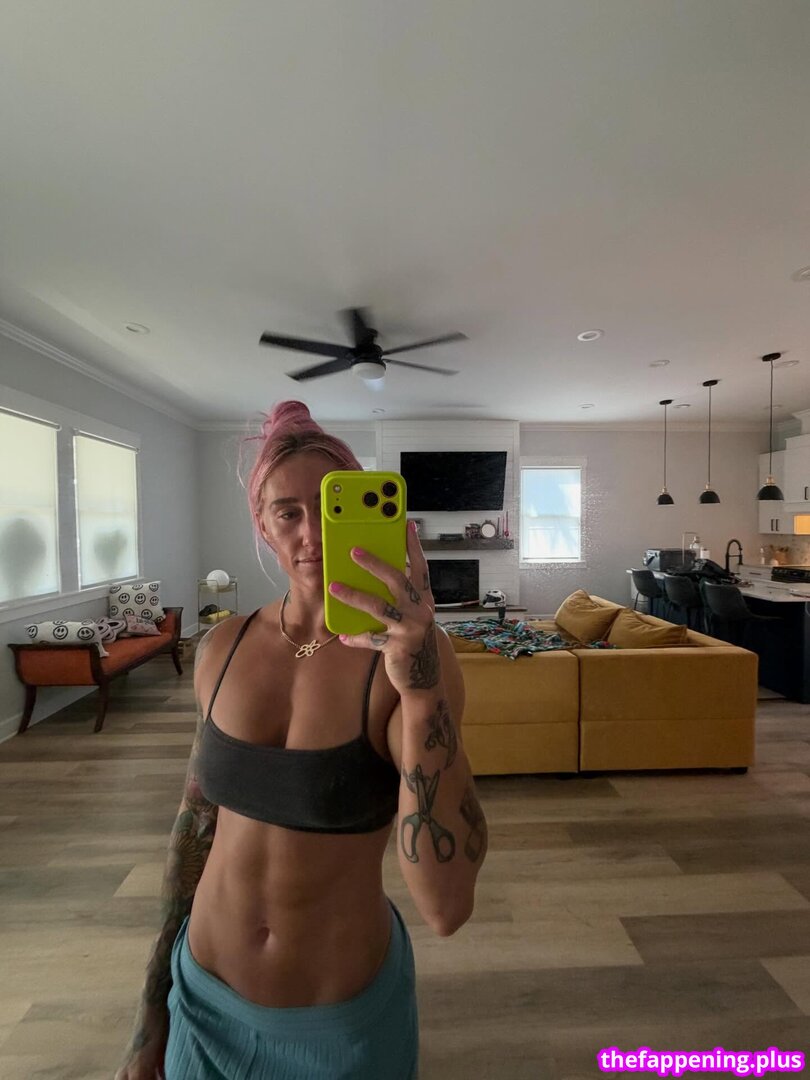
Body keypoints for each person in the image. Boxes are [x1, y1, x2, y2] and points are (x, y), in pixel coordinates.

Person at [115, 400, 489, 1080]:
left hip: (338, 1030)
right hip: (199, 1001)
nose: (311, 533)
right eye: (287, 512)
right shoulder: (221, 648)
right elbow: (194, 829)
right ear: (262, 525)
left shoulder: (410, 660)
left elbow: (447, 906)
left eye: (329, 508)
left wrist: (420, 687)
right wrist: (151, 1016)